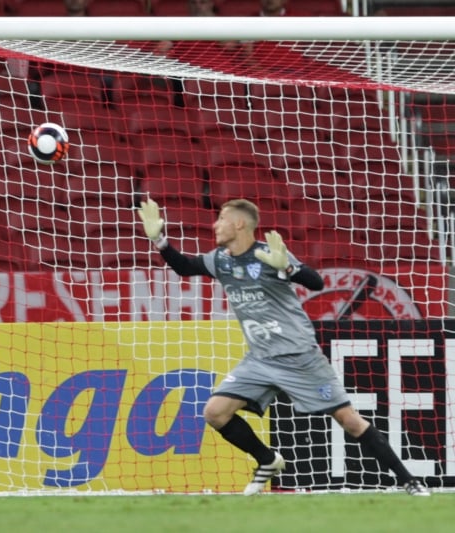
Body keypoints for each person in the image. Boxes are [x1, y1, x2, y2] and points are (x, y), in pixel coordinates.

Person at [136, 197, 431, 496]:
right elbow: (185, 267)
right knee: (215, 413)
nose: (215, 224)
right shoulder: (220, 259)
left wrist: (288, 267)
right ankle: (268, 459)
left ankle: (409, 480)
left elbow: (314, 282)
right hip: (260, 359)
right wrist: (160, 241)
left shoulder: (269, 255)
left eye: (221, 219)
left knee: (350, 421)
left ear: (239, 223)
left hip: (300, 357)